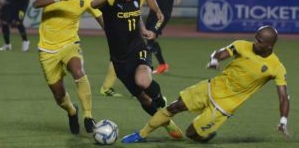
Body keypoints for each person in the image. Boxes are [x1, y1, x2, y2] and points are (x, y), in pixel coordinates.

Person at [122, 25, 290, 143]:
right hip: (211, 86)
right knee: (174, 106)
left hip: (224, 105)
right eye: (255, 37)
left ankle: (202, 135)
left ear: (270, 45)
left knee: (191, 134)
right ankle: (141, 135)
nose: (255, 42)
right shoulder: (242, 45)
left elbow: (283, 97)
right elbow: (220, 53)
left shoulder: (276, 67)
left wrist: (283, 120)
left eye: (259, 41)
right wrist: (214, 60)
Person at [91, 0, 181, 139]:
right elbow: (93, 4)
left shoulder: (136, 0)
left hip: (138, 51)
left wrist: (143, 29)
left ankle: (163, 103)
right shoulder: (109, 3)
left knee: (143, 80)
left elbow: (136, 15)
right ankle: (166, 122)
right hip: (120, 62)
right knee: (145, 100)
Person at [33, 0, 103, 134]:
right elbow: (37, 3)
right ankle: (72, 111)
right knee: (58, 95)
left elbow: (103, 22)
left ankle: (88, 116)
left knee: (78, 71)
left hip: (70, 44)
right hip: (47, 50)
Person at [99, 0, 164, 96]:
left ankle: (141, 86)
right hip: (120, 18)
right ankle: (109, 87)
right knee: (122, 53)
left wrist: (157, 10)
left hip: (133, 17)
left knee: (131, 53)